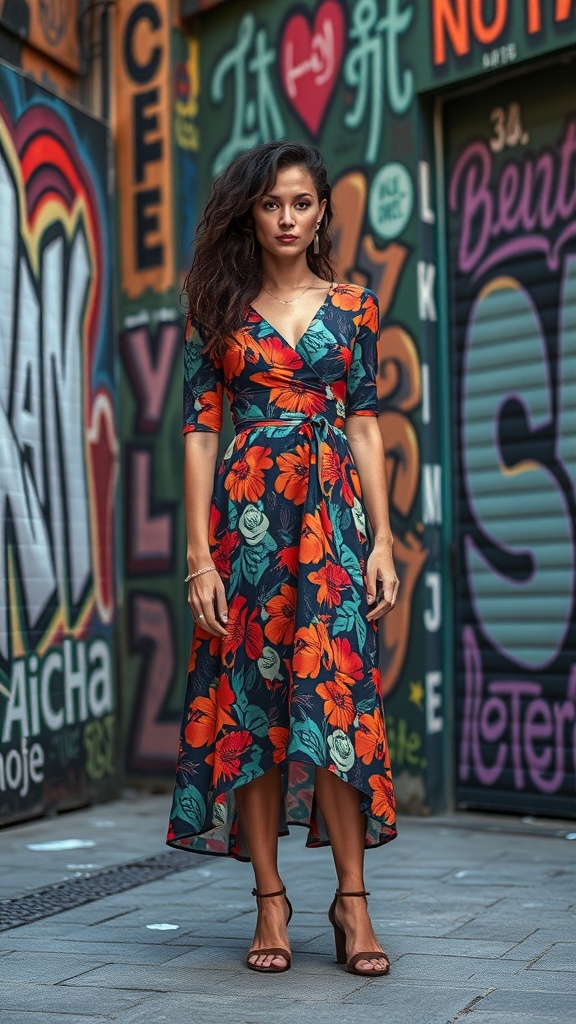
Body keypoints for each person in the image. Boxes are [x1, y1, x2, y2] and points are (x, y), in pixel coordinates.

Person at [166, 140, 399, 977]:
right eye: (272, 205)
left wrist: (382, 537)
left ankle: (352, 900)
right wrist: (199, 555)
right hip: (249, 528)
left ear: (323, 210)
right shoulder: (216, 308)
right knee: (252, 711)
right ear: (251, 214)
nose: (288, 218)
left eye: (302, 203)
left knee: (335, 702)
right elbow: (198, 434)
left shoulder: (356, 306)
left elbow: (365, 421)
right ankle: (269, 899)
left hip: (331, 526)